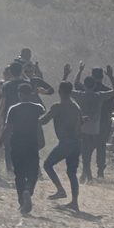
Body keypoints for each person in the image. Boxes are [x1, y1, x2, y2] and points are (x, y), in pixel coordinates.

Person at [66, 65, 114, 183]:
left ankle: (85, 173)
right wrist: (111, 76)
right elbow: (113, 107)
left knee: (86, 150)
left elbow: (73, 85)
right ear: (102, 77)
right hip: (102, 124)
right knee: (101, 147)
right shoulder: (103, 92)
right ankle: (100, 172)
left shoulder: (81, 91)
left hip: (84, 125)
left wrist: (77, 71)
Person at [38, 81, 84, 212]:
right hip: (77, 143)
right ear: (71, 92)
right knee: (72, 173)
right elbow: (81, 122)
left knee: (47, 164)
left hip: (66, 142)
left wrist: (30, 121)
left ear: (59, 92)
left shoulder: (57, 106)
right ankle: (74, 202)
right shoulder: (76, 106)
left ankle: (60, 189)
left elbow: (45, 120)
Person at [2, 83, 45, 215]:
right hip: (32, 144)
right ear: (30, 93)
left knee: (19, 174)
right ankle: (28, 190)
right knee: (33, 173)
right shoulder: (37, 108)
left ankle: (22, 202)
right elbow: (44, 111)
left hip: (16, 144)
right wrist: (37, 95)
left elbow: (8, 129)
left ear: (19, 95)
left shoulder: (13, 109)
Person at [0, 62, 31, 178]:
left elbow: (2, 103)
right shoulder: (27, 84)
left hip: (9, 118)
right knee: (24, 144)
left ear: (10, 72)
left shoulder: (6, 86)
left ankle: (10, 171)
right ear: (22, 71)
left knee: (8, 145)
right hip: (25, 119)